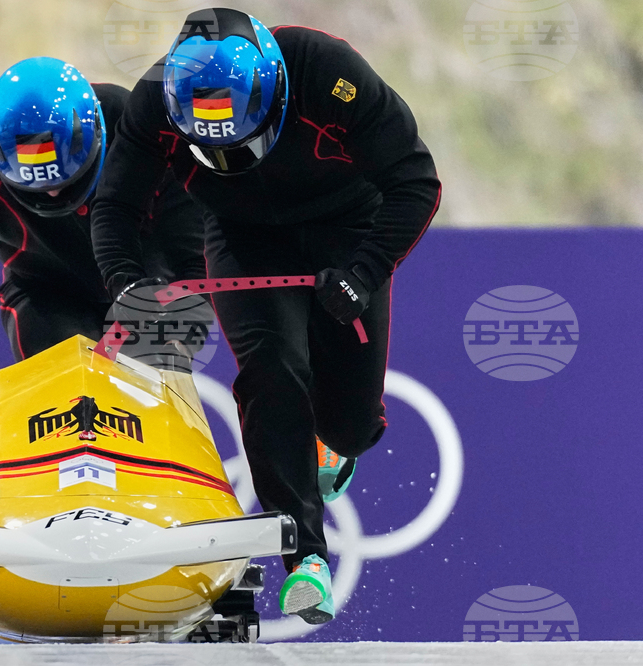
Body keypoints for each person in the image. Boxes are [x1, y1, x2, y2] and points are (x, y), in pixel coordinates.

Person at [90, 9, 441, 624]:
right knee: (271, 369)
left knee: (352, 426)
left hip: (347, 229)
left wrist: (364, 273)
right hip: (243, 236)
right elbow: (115, 205)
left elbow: (416, 181)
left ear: (271, 91)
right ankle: (306, 556)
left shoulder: (328, 73)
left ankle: (333, 445)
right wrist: (125, 283)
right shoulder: (155, 104)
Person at [0, 57, 206, 392]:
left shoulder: (142, 132)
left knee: (145, 394)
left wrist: (181, 338)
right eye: (37, 185)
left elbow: (194, 256)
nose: (53, 192)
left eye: (67, 181)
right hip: (45, 294)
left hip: (143, 286)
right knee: (66, 389)